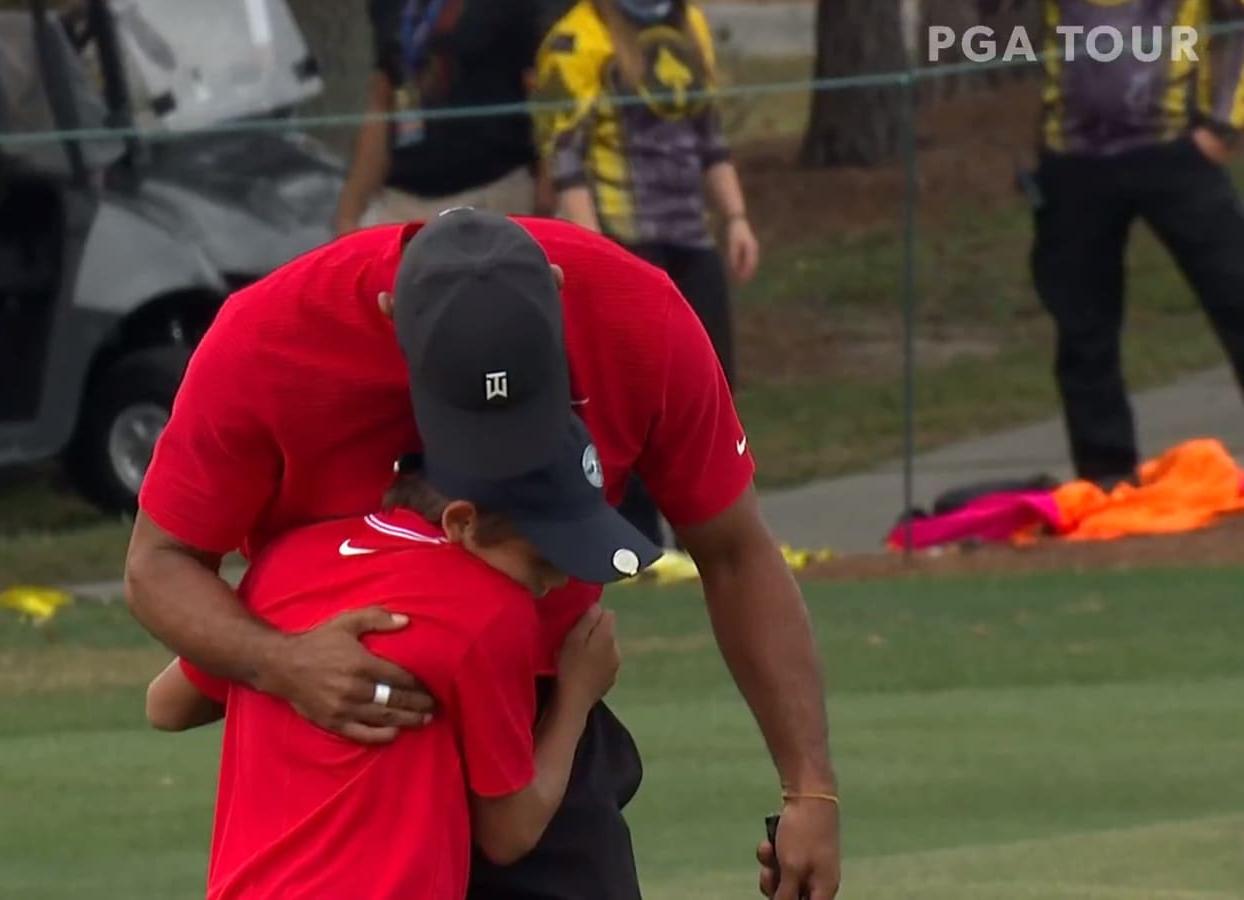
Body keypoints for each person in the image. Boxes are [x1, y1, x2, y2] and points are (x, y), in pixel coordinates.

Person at [126, 209, 840, 900]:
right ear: (387, 311)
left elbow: (737, 554)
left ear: (558, 290)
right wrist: (281, 665)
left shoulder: (637, 315)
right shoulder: (269, 338)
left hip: (514, 701)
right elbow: (158, 563)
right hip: (327, 707)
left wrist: (809, 786)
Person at [145, 405, 661, 897]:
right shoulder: (490, 611)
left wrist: (288, 661)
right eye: (542, 560)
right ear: (463, 522)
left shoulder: (293, 558)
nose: (555, 582)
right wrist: (576, 694)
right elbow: (509, 832)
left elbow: (165, 706)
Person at [530, 0, 759, 547]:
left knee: (711, 388)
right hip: (624, 236)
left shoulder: (688, 25)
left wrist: (736, 218)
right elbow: (567, 163)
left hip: (690, 237)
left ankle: (711, 534)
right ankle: (634, 536)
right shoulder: (574, 42)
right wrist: (599, 258)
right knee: (629, 396)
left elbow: (710, 138)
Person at [1028, 0, 1244, 485]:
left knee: (1236, 295)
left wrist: (1225, 124)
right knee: (1083, 330)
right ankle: (1105, 477)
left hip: (1175, 151)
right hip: (1073, 159)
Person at [331, 0, 565, 233]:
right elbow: (381, 106)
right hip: (402, 201)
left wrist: (547, 184)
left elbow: (543, 93)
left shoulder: (511, 7)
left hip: (492, 192)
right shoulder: (389, 7)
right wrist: (350, 209)